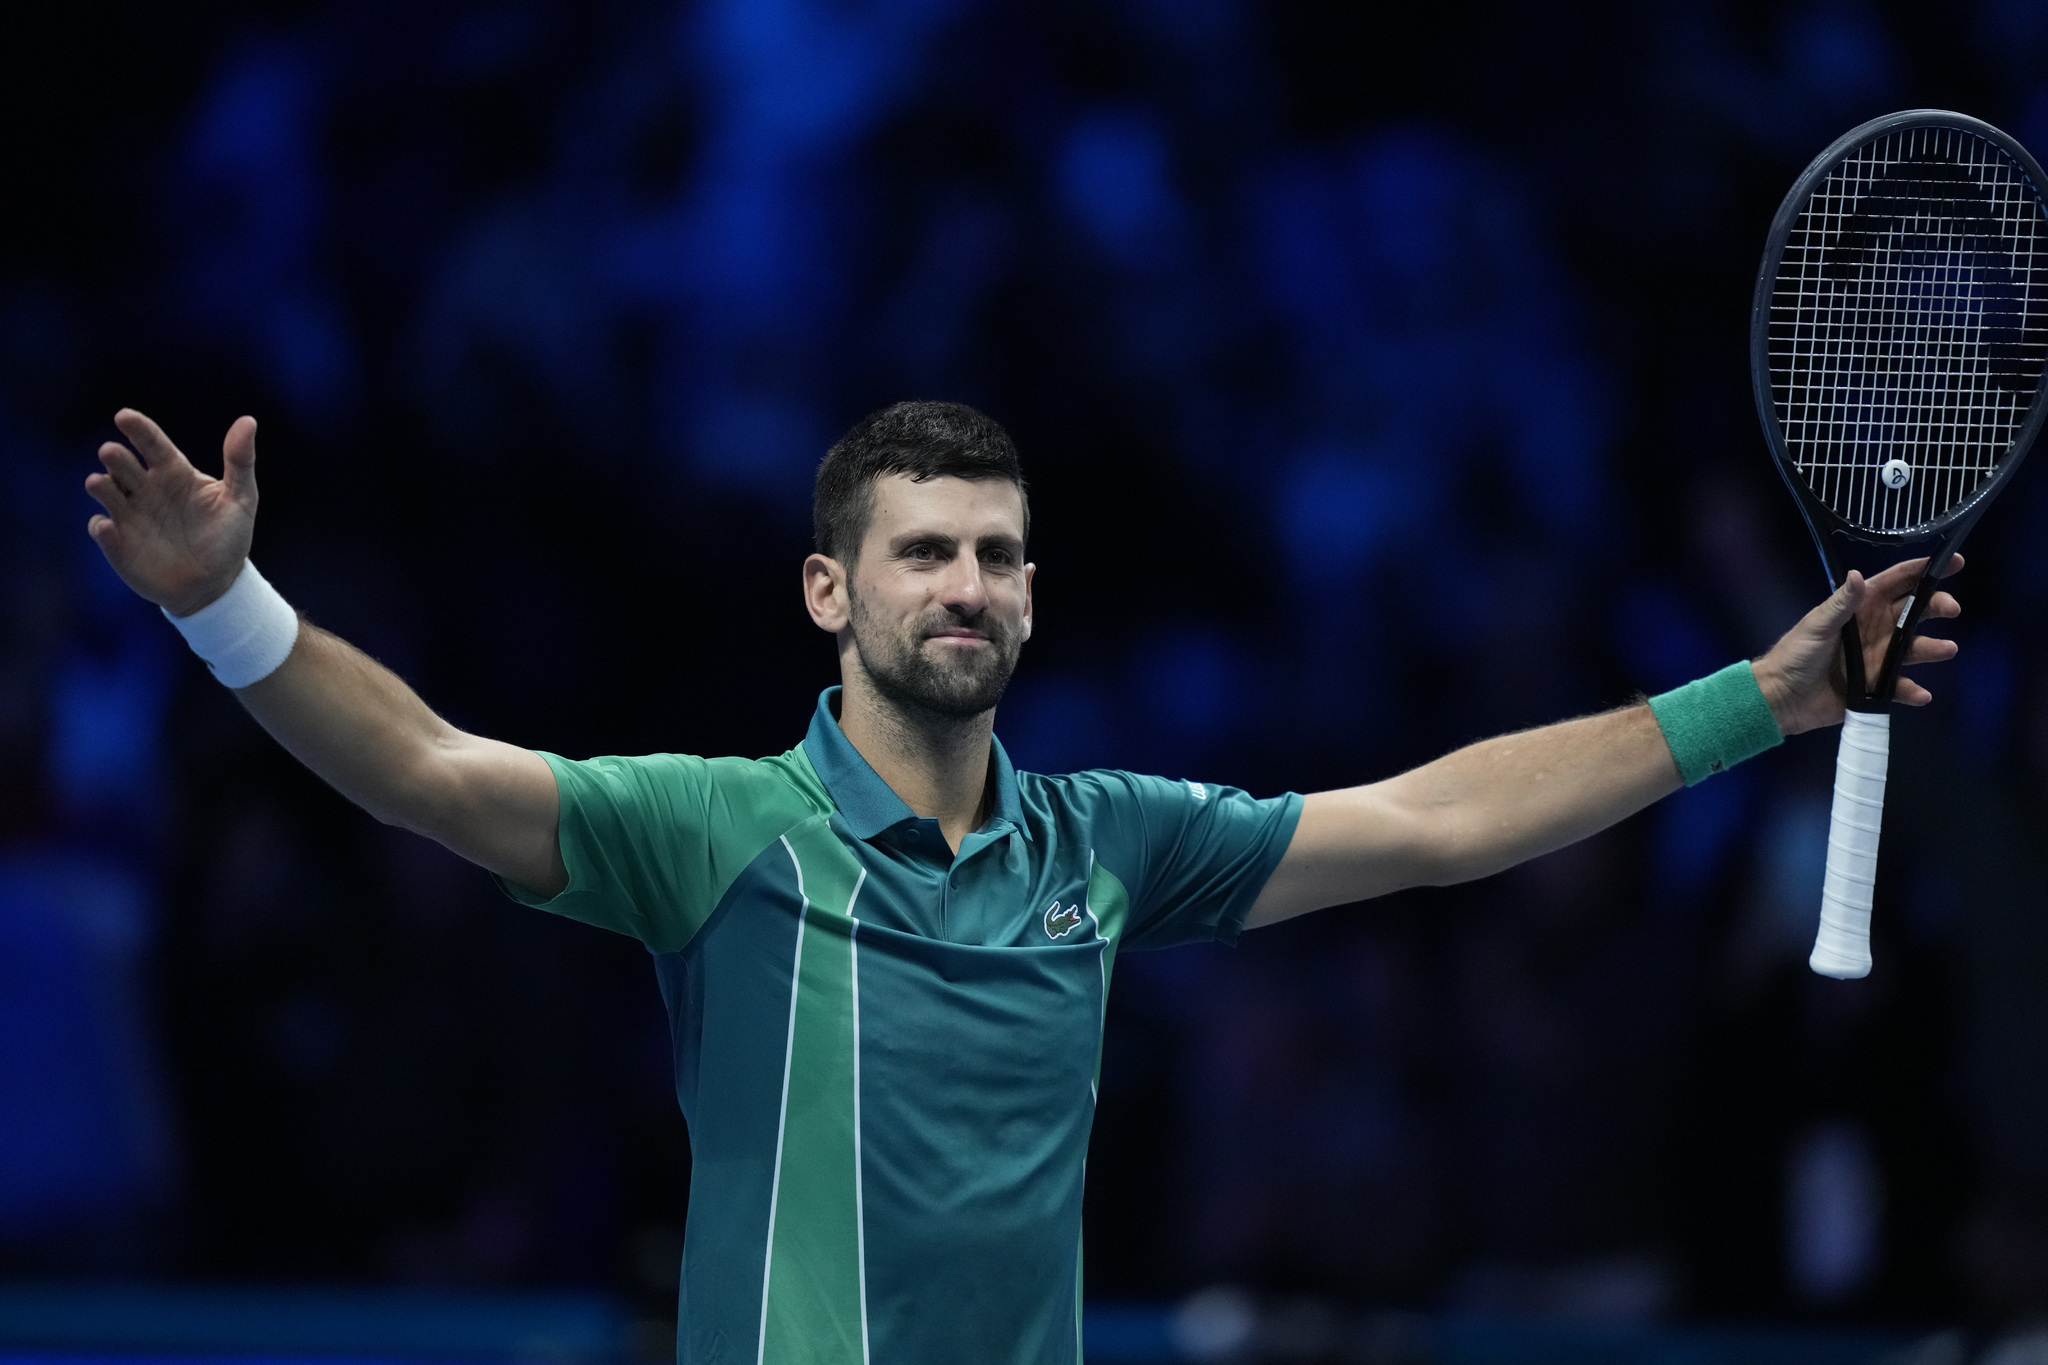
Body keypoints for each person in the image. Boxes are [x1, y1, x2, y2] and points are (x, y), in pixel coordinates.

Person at [85, 400, 1958, 1364]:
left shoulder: (1113, 843)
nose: (964, 582)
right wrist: (221, 605)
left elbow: (1440, 818)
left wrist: (1760, 699)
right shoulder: (717, 829)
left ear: (1037, 594)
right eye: (919, 552)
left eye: (995, 551)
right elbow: (418, 767)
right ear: (833, 592)